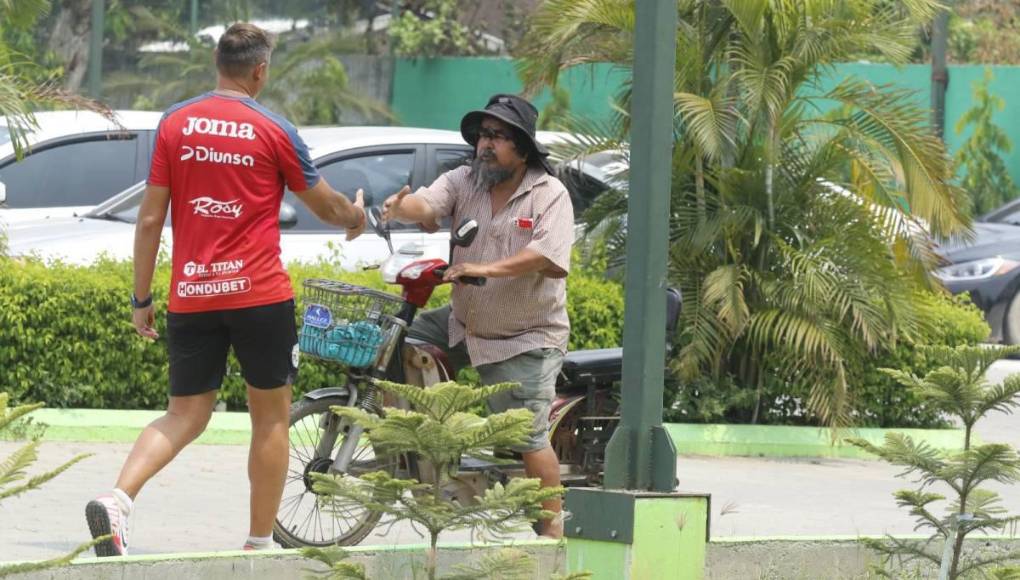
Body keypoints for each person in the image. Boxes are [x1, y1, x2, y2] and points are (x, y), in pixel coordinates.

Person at [85, 22, 367, 556]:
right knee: (271, 419)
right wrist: (356, 215)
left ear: (217, 63)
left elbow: (149, 220)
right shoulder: (274, 129)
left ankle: (119, 500)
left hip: (192, 296)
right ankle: (259, 543)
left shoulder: (176, 123)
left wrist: (141, 298)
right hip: (260, 296)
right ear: (260, 70)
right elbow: (327, 206)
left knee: (184, 414)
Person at [382, 93, 574, 538]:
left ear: (522, 147)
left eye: (498, 137)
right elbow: (428, 206)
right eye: (482, 135)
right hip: (464, 323)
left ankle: (553, 537)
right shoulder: (464, 180)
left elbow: (544, 255)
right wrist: (402, 206)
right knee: (394, 343)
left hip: (524, 335)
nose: (485, 145)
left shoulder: (549, 194)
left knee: (527, 436)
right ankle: (433, 444)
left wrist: (482, 268)